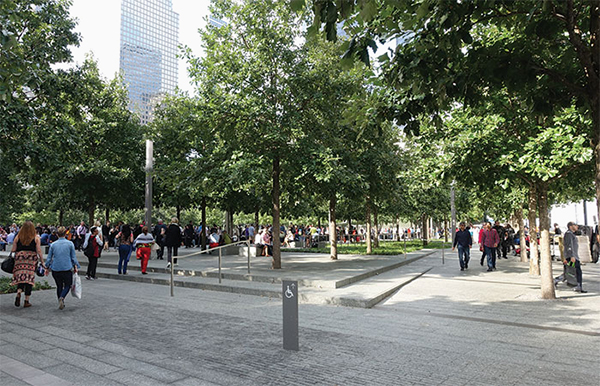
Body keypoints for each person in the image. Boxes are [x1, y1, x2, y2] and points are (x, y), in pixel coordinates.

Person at [11, 221, 45, 308]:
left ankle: (19, 292)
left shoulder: (18, 237)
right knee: (29, 279)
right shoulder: (36, 238)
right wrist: (42, 262)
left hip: (20, 259)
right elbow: (39, 251)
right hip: (31, 260)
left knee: (21, 277)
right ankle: (26, 300)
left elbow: (13, 249)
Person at [45, 227, 80, 310]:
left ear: (57, 234)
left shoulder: (53, 245)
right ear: (66, 234)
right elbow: (73, 257)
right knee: (68, 285)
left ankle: (60, 300)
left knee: (59, 285)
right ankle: (62, 297)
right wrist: (76, 266)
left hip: (56, 268)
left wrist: (46, 267)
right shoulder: (70, 244)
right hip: (66, 267)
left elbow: (49, 258)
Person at [563, 222, 587, 293]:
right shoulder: (568, 234)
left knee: (571, 271)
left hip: (574, 256)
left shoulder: (572, 234)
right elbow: (569, 246)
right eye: (575, 225)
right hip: (571, 257)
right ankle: (578, 287)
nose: (577, 226)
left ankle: (578, 287)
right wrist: (571, 256)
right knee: (574, 271)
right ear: (570, 226)